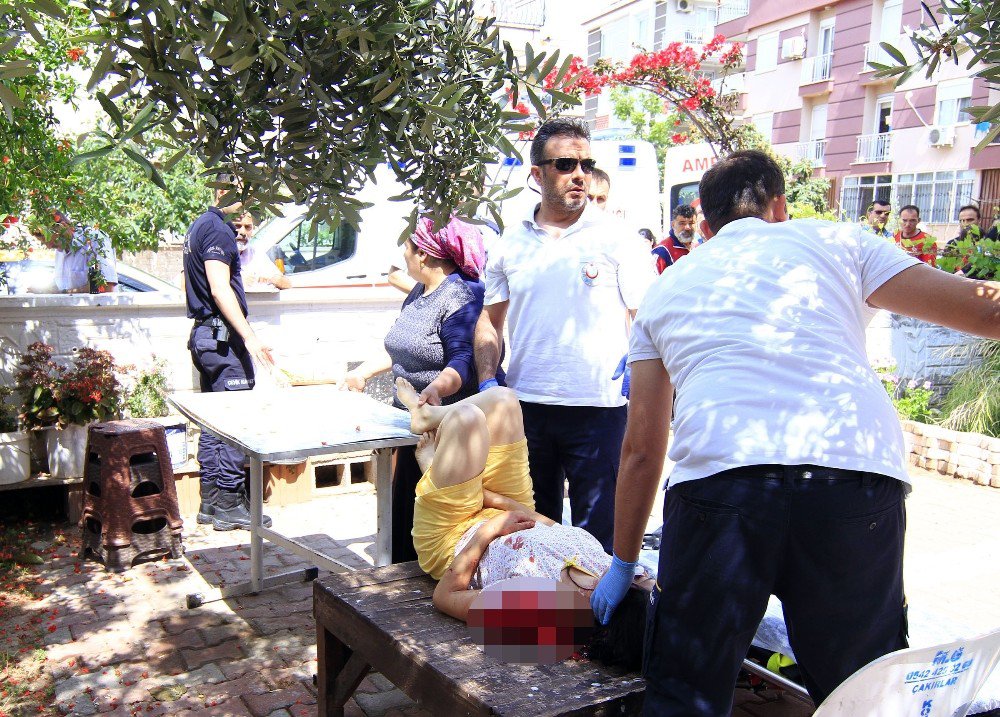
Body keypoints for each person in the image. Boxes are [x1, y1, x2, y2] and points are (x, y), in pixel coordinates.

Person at [591, 150, 1000, 715]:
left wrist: (623, 559)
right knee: (862, 690)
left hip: (719, 484)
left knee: (687, 691)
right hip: (851, 476)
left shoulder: (668, 287)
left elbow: (641, 448)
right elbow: (987, 312)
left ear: (704, 226)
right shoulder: (840, 241)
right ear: (779, 206)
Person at [474, 117, 654, 553]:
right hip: (527, 409)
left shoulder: (618, 238)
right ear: (536, 174)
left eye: (586, 164)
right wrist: (488, 383)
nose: (580, 175)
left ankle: (599, 623)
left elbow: (646, 318)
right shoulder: (510, 244)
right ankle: (544, 622)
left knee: (598, 542)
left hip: (599, 409)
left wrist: (639, 376)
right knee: (532, 533)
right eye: (566, 164)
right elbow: (488, 322)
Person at [393, 375, 652, 668]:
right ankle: (430, 430)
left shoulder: (544, 613)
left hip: (455, 535)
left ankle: (437, 471)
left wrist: (488, 530)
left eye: (639, 583)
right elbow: (542, 523)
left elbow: (446, 596)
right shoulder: (607, 569)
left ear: (604, 608)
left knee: (468, 419)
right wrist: (488, 498)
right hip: (510, 510)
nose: (642, 577)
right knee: (504, 400)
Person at [343, 216, 487, 562]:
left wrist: (436, 390)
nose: (403, 258)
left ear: (423, 254)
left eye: (406, 250)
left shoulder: (461, 297)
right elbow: (402, 345)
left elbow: (462, 361)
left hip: (446, 426)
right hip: (412, 421)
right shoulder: (420, 291)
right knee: (406, 508)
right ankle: (403, 578)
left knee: (437, 513)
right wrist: (361, 373)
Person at [184, 174, 276, 531]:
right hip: (221, 339)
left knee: (213, 421)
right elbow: (220, 289)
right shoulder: (219, 230)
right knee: (236, 420)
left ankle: (210, 500)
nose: (249, 200)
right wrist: (249, 338)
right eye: (244, 192)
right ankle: (227, 501)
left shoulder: (198, 226)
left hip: (206, 335)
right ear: (224, 192)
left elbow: (188, 284)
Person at [44, 209, 118, 293]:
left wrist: (65, 293)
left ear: (63, 227)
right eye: (43, 242)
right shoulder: (60, 251)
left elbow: (107, 287)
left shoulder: (95, 239)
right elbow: (61, 288)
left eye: (49, 239)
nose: (49, 246)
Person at [234, 211, 291, 289]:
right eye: (237, 226)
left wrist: (272, 280)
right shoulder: (218, 251)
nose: (243, 232)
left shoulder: (255, 254)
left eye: (247, 227)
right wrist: (238, 281)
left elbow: (287, 284)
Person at [945, 204, 995, 279]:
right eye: (962, 220)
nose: (965, 223)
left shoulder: (989, 243)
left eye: (970, 220)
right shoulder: (952, 244)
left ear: (979, 220)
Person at [651, 204, 697, 274]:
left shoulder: (698, 247)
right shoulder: (662, 251)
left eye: (691, 223)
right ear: (673, 225)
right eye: (682, 223)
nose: (687, 227)